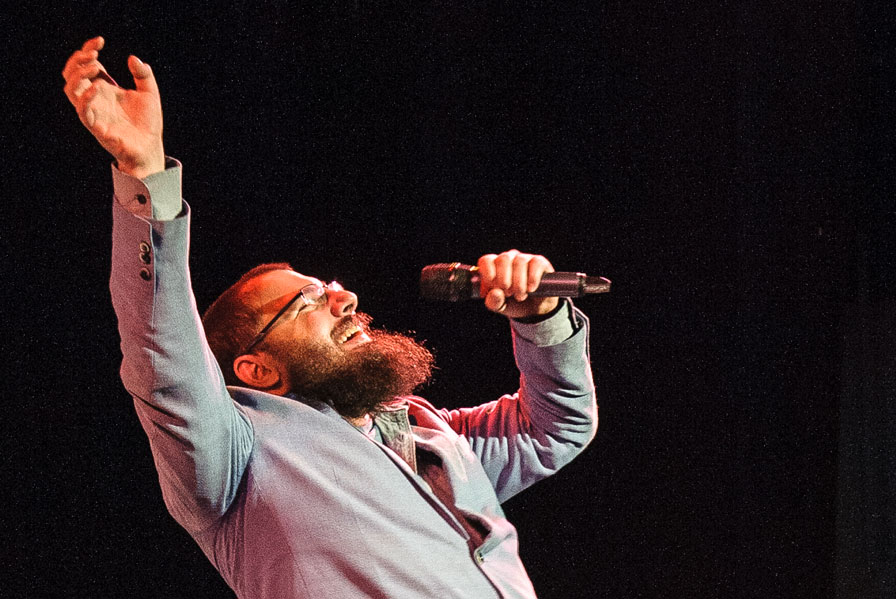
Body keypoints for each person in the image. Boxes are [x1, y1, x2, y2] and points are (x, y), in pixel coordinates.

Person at [63, 36, 598, 599]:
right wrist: (145, 173)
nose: (345, 299)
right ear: (258, 369)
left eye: (332, 289)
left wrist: (541, 317)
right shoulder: (237, 457)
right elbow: (163, 354)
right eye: (309, 302)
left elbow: (555, 430)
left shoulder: (432, 433)